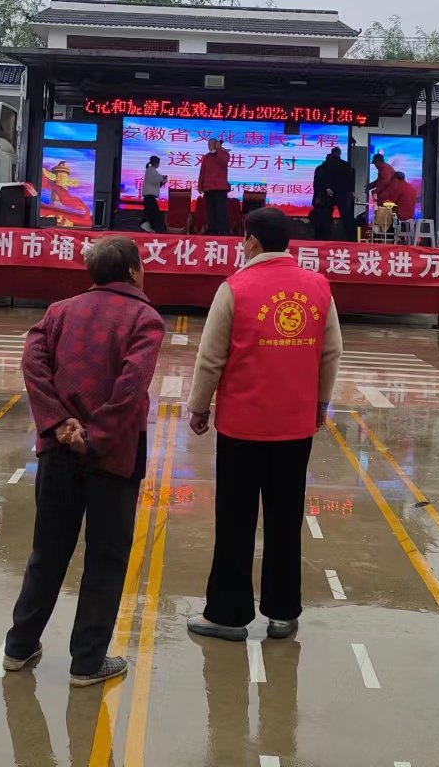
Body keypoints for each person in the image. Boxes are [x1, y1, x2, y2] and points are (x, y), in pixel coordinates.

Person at [4, 236, 165, 687]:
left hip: (58, 450)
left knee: (47, 552)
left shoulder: (58, 312)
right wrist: (94, 437)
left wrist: (58, 422)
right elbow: (131, 387)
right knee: (105, 558)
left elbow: (33, 366)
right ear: (132, 271)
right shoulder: (144, 318)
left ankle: (19, 647)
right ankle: (87, 662)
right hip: (113, 454)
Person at [187, 206, 343, 642]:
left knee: (235, 521)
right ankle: (283, 613)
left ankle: (228, 615)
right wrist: (320, 403)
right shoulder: (318, 286)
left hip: (242, 429)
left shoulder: (234, 288)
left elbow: (211, 357)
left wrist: (199, 407)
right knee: (285, 520)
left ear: (252, 242)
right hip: (294, 428)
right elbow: (331, 351)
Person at [310, 146, 353, 241]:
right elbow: (349, 181)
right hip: (342, 194)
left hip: (327, 194)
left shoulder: (324, 166)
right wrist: (350, 192)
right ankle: (349, 239)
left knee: (325, 218)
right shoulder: (346, 166)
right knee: (346, 217)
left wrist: (324, 190)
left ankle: (323, 238)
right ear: (340, 154)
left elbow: (319, 182)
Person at [198, 137, 231, 236]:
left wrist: (219, 150)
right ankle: (213, 232)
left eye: (212, 144)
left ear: (217, 144)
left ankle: (224, 232)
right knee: (210, 212)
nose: (210, 146)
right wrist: (200, 185)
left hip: (220, 188)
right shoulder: (206, 157)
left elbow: (223, 162)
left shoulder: (224, 154)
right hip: (208, 188)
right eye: (209, 145)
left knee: (221, 211)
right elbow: (202, 171)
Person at [140, 154, 167, 233]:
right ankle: (146, 225)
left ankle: (149, 226)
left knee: (151, 212)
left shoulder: (152, 171)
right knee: (153, 212)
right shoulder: (151, 171)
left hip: (150, 197)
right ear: (155, 163)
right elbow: (156, 179)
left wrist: (163, 180)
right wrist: (163, 178)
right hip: (149, 197)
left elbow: (157, 183)